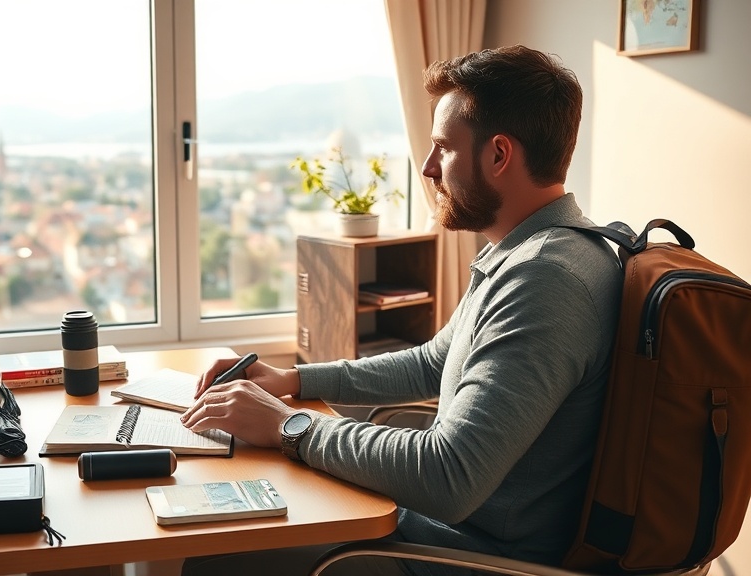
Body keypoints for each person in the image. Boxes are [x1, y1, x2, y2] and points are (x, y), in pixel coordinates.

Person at [179, 45, 623, 576]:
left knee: (219, 559)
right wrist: (290, 380)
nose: (430, 167)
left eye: (443, 147)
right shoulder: (527, 252)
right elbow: (433, 362)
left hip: (468, 559)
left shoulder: (547, 279)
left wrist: (288, 427)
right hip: (439, 534)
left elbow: (450, 476)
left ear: (499, 155)